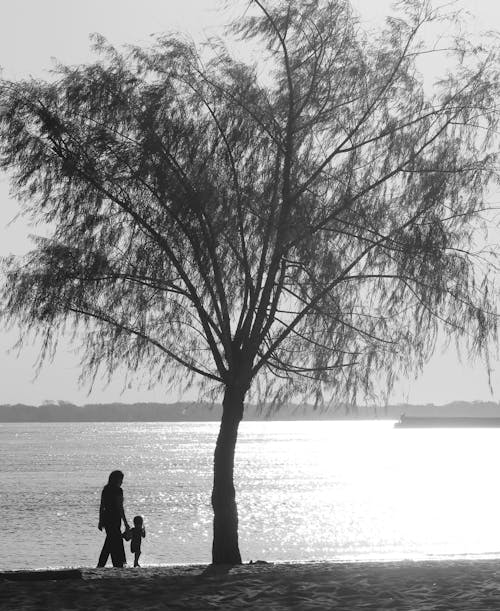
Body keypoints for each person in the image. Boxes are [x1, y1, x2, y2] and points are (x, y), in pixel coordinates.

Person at [97, 470, 130, 568]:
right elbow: (120, 507)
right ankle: (116, 563)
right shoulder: (118, 490)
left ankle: (107, 563)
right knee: (114, 541)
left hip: (107, 518)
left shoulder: (106, 489)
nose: (122, 482)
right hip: (115, 518)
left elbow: (102, 506)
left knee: (111, 540)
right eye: (121, 479)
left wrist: (100, 520)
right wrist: (126, 523)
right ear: (117, 479)